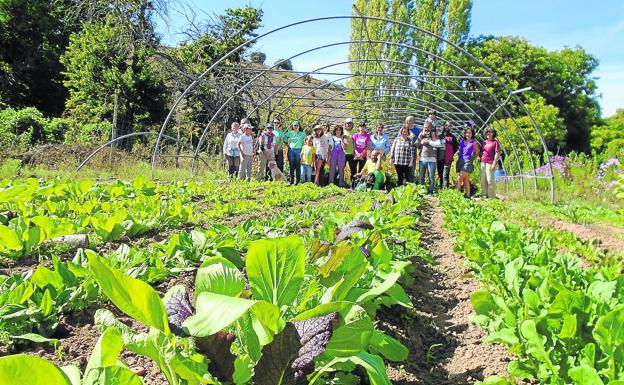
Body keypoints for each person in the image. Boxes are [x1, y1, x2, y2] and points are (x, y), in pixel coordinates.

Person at [416, 121, 441, 194]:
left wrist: (428, 142)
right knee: (421, 177)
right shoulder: (421, 134)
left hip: (431, 159)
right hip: (422, 159)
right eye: (425, 127)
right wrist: (420, 140)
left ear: (430, 127)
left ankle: (430, 192)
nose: (426, 129)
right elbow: (416, 145)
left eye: (428, 127)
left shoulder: (434, 134)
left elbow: (438, 144)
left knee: (431, 177)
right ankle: (421, 192)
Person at [456, 126, 480, 199]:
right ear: (465, 134)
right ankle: (468, 195)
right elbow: (460, 151)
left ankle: (455, 195)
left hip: (468, 162)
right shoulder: (462, 141)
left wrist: (471, 159)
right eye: (467, 133)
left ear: (472, 134)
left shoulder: (474, 143)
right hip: (460, 161)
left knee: (460, 178)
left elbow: (477, 153)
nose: (468, 134)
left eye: (470, 133)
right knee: (465, 179)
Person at [480, 127, 502, 199]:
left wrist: (494, 163)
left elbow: (497, 153)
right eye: (487, 132)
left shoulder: (495, 142)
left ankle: (492, 197)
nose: (488, 134)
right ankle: (484, 195)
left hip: (490, 163)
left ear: (493, 133)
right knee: (483, 179)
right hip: (483, 162)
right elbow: (481, 152)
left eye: (490, 132)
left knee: (490, 180)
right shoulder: (484, 142)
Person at [284, 120, 306, 184]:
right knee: (291, 166)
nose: (296, 127)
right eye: (294, 125)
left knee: (298, 166)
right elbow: (284, 137)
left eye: (297, 125)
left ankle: (298, 181)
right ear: (293, 126)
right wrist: (287, 144)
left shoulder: (302, 133)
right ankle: (291, 181)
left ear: (299, 126)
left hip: (299, 150)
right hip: (291, 150)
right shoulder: (290, 133)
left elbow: (306, 140)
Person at [441, 122, 458, 189]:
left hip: (448, 159)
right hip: (439, 158)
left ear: (451, 127)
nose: (447, 127)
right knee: (440, 174)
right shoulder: (440, 136)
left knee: (445, 174)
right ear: (444, 126)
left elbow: (455, 147)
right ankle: (440, 188)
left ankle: (445, 189)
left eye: (449, 126)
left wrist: (450, 153)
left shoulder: (453, 137)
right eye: (446, 125)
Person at [404, 115, 421, 183]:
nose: (408, 122)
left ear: (413, 121)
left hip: (412, 152)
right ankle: (403, 185)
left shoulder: (418, 130)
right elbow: (398, 138)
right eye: (407, 121)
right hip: (404, 152)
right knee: (404, 169)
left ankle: (411, 185)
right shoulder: (403, 129)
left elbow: (420, 141)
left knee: (411, 169)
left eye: (409, 120)